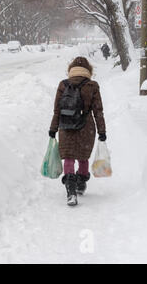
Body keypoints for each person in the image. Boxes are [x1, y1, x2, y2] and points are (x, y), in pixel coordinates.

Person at [49, 57, 106, 206]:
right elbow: (98, 111)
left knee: (68, 157)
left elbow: (57, 111)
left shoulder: (63, 85)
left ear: (71, 69)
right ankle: (80, 184)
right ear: (89, 70)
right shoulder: (92, 86)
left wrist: (53, 129)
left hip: (66, 126)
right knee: (82, 156)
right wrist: (102, 131)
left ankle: (71, 190)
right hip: (86, 127)